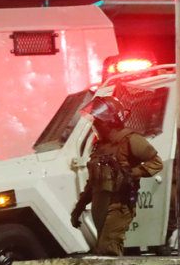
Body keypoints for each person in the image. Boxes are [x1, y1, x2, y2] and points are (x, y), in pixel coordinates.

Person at [70, 96, 163, 256]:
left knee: (109, 249)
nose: (95, 124)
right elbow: (93, 182)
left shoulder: (131, 140)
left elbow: (156, 162)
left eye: (99, 121)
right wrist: (79, 207)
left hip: (119, 204)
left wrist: (132, 173)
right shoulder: (99, 147)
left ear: (110, 121)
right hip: (100, 205)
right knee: (104, 250)